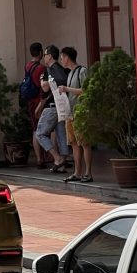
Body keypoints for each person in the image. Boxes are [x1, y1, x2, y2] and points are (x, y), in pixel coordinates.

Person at [35, 45, 71, 173]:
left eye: (45, 55)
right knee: (61, 135)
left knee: (40, 133)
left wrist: (41, 81)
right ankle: (63, 163)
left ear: (49, 56)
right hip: (63, 106)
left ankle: (57, 159)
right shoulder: (63, 69)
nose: (44, 57)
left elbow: (45, 88)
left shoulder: (48, 70)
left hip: (51, 107)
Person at [58, 46, 91, 183]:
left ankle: (88, 172)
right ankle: (77, 172)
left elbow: (85, 90)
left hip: (80, 113)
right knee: (74, 144)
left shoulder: (82, 71)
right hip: (70, 113)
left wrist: (66, 89)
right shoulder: (70, 73)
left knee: (84, 143)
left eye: (62, 57)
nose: (61, 60)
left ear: (67, 57)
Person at [21, 41, 49, 167]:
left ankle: (39, 159)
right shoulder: (41, 68)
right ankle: (45, 157)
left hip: (30, 101)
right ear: (40, 53)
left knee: (35, 129)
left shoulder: (27, 66)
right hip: (39, 101)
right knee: (42, 129)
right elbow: (42, 87)